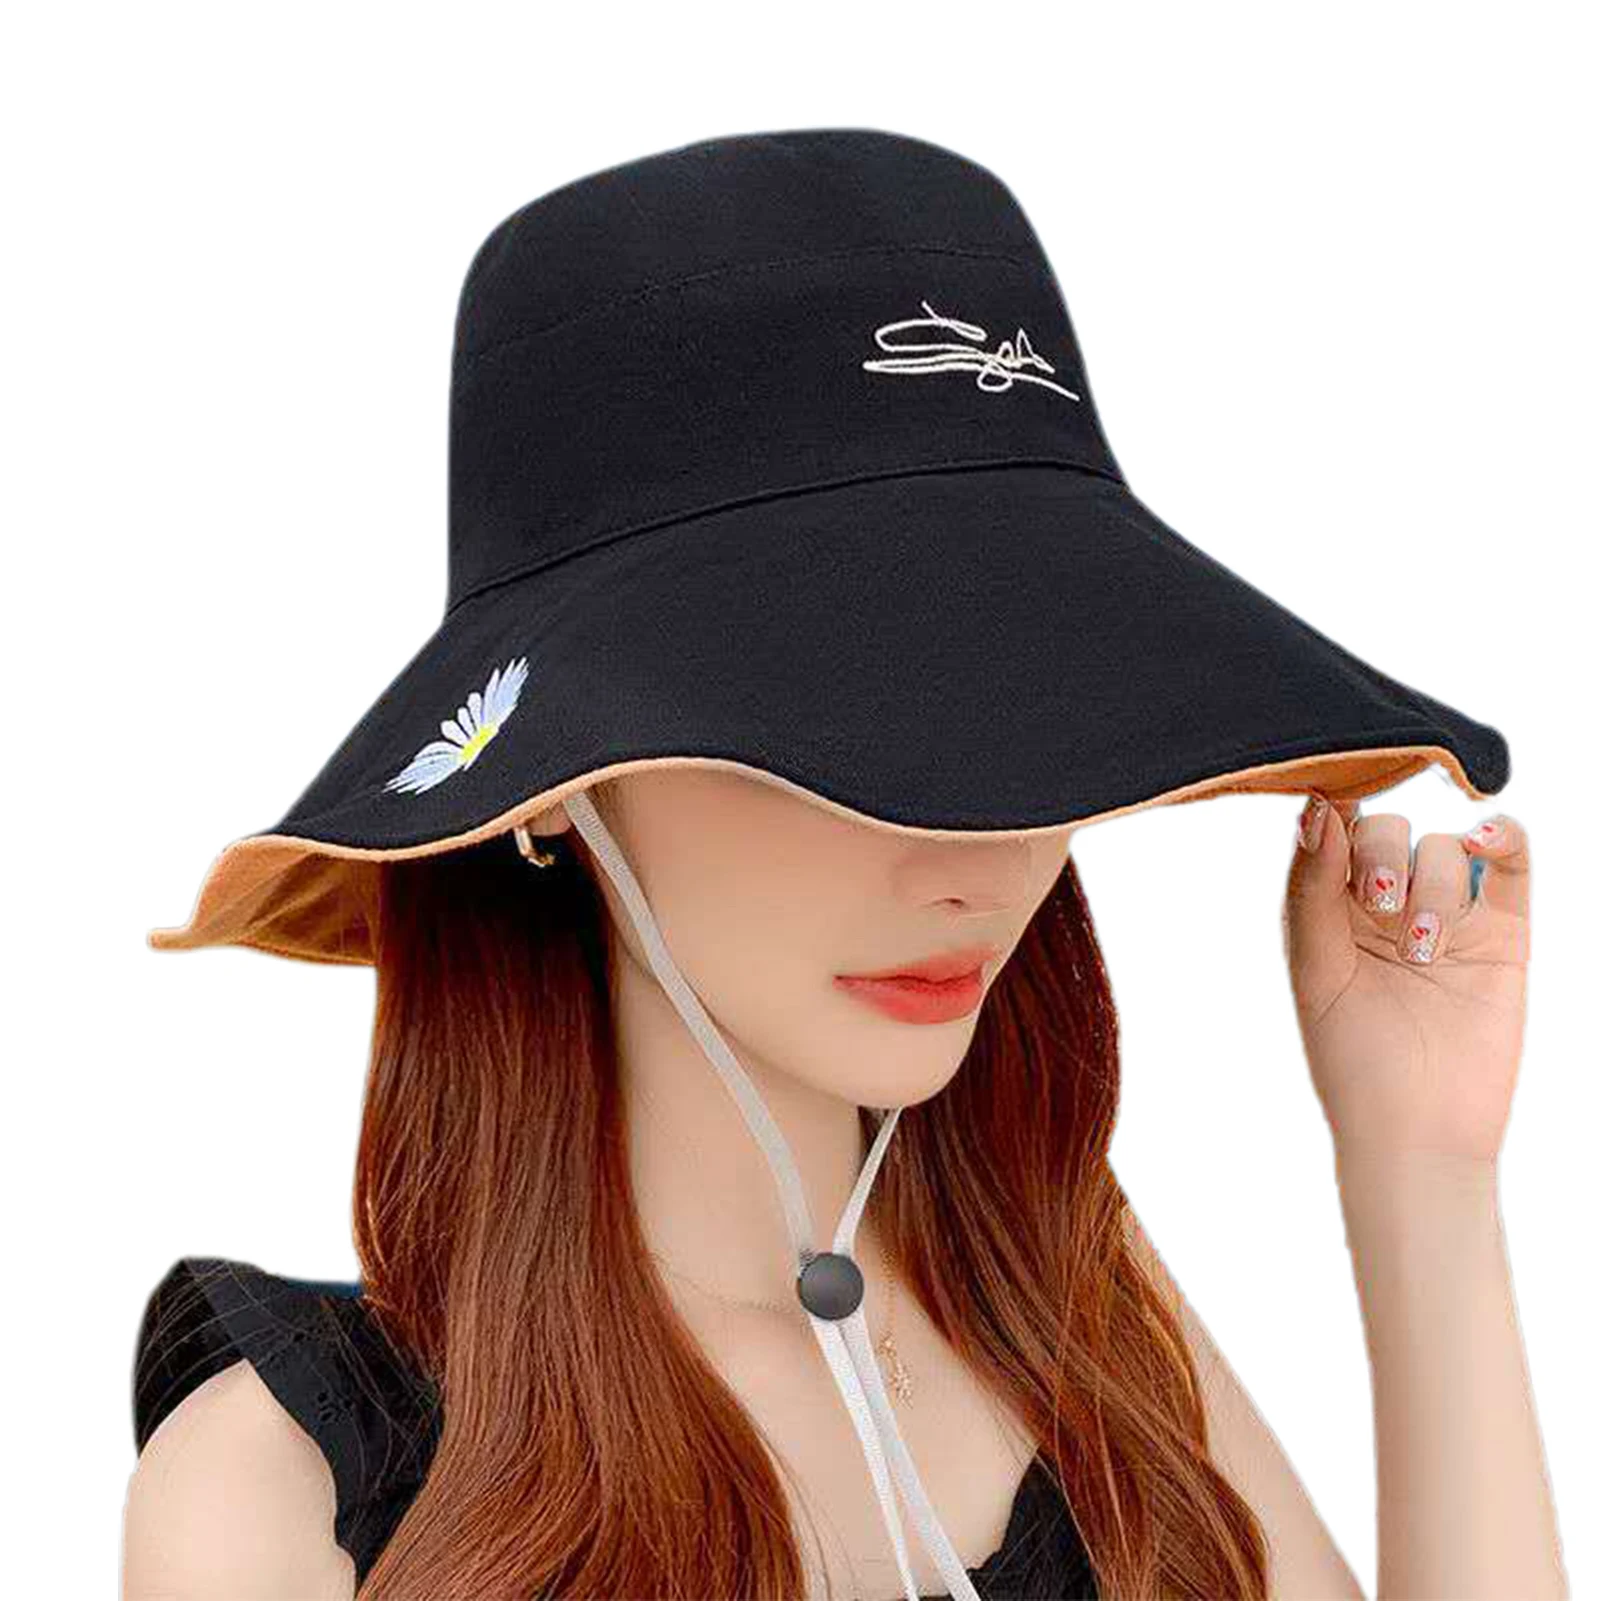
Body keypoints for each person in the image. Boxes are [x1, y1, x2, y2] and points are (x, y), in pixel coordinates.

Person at [121, 129, 1567, 1600]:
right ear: (553, 788)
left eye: (1036, 723)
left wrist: (1424, 1172)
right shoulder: (279, 1486)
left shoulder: (1092, 1340)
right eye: (850, 736)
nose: (976, 863)